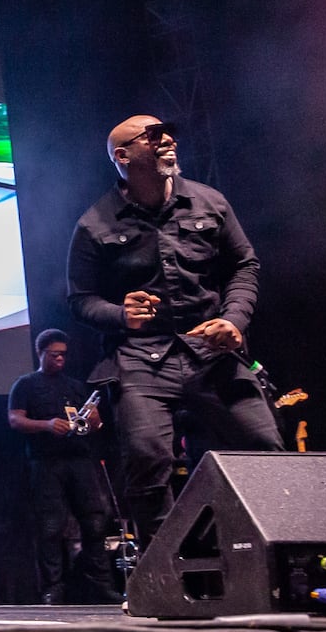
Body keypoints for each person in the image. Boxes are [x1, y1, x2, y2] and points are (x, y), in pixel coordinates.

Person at [68, 115, 281, 545]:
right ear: (123, 157)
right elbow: (80, 299)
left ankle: (277, 559)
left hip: (212, 351)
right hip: (142, 360)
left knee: (266, 446)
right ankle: (166, 573)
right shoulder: (95, 224)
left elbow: (244, 265)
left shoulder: (209, 203)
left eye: (168, 134)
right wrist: (119, 314)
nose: (167, 140)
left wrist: (235, 320)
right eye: (153, 136)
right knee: (147, 459)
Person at [8, 329, 118, 605]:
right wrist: (46, 425)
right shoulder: (26, 384)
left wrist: (95, 420)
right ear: (40, 352)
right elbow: (15, 420)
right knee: (50, 526)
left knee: (94, 522)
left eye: (63, 355)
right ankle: (53, 587)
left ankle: (100, 583)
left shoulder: (76, 386)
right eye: (54, 354)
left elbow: (94, 424)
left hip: (80, 460)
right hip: (46, 462)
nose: (60, 359)